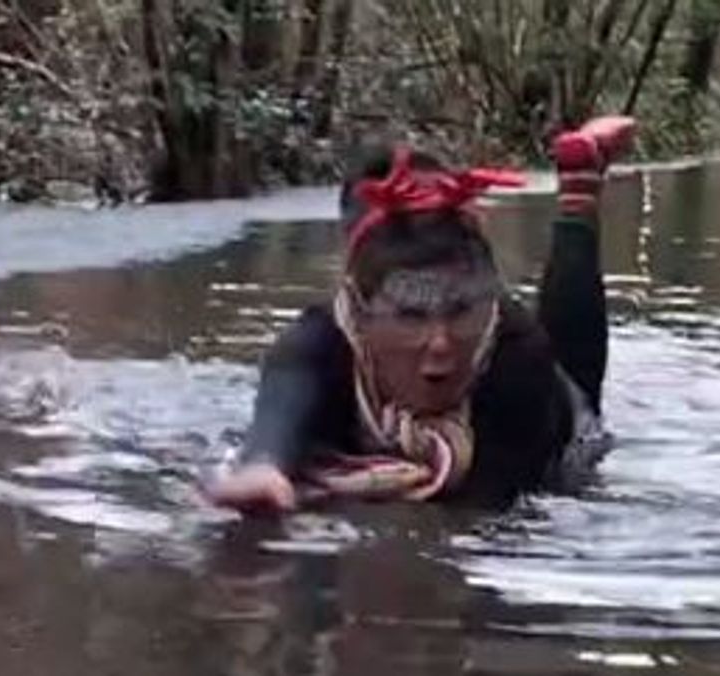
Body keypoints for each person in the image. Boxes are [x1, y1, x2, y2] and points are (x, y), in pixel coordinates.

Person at [206, 117, 637, 511]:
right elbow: (274, 428)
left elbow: (485, 511)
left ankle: (579, 196)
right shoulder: (317, 343)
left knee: (581, 399)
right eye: (411, 317)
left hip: (552, 417)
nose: (442, 344)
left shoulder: (518, 358)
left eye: (461, 312)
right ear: (359, 312)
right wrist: (263, 469)